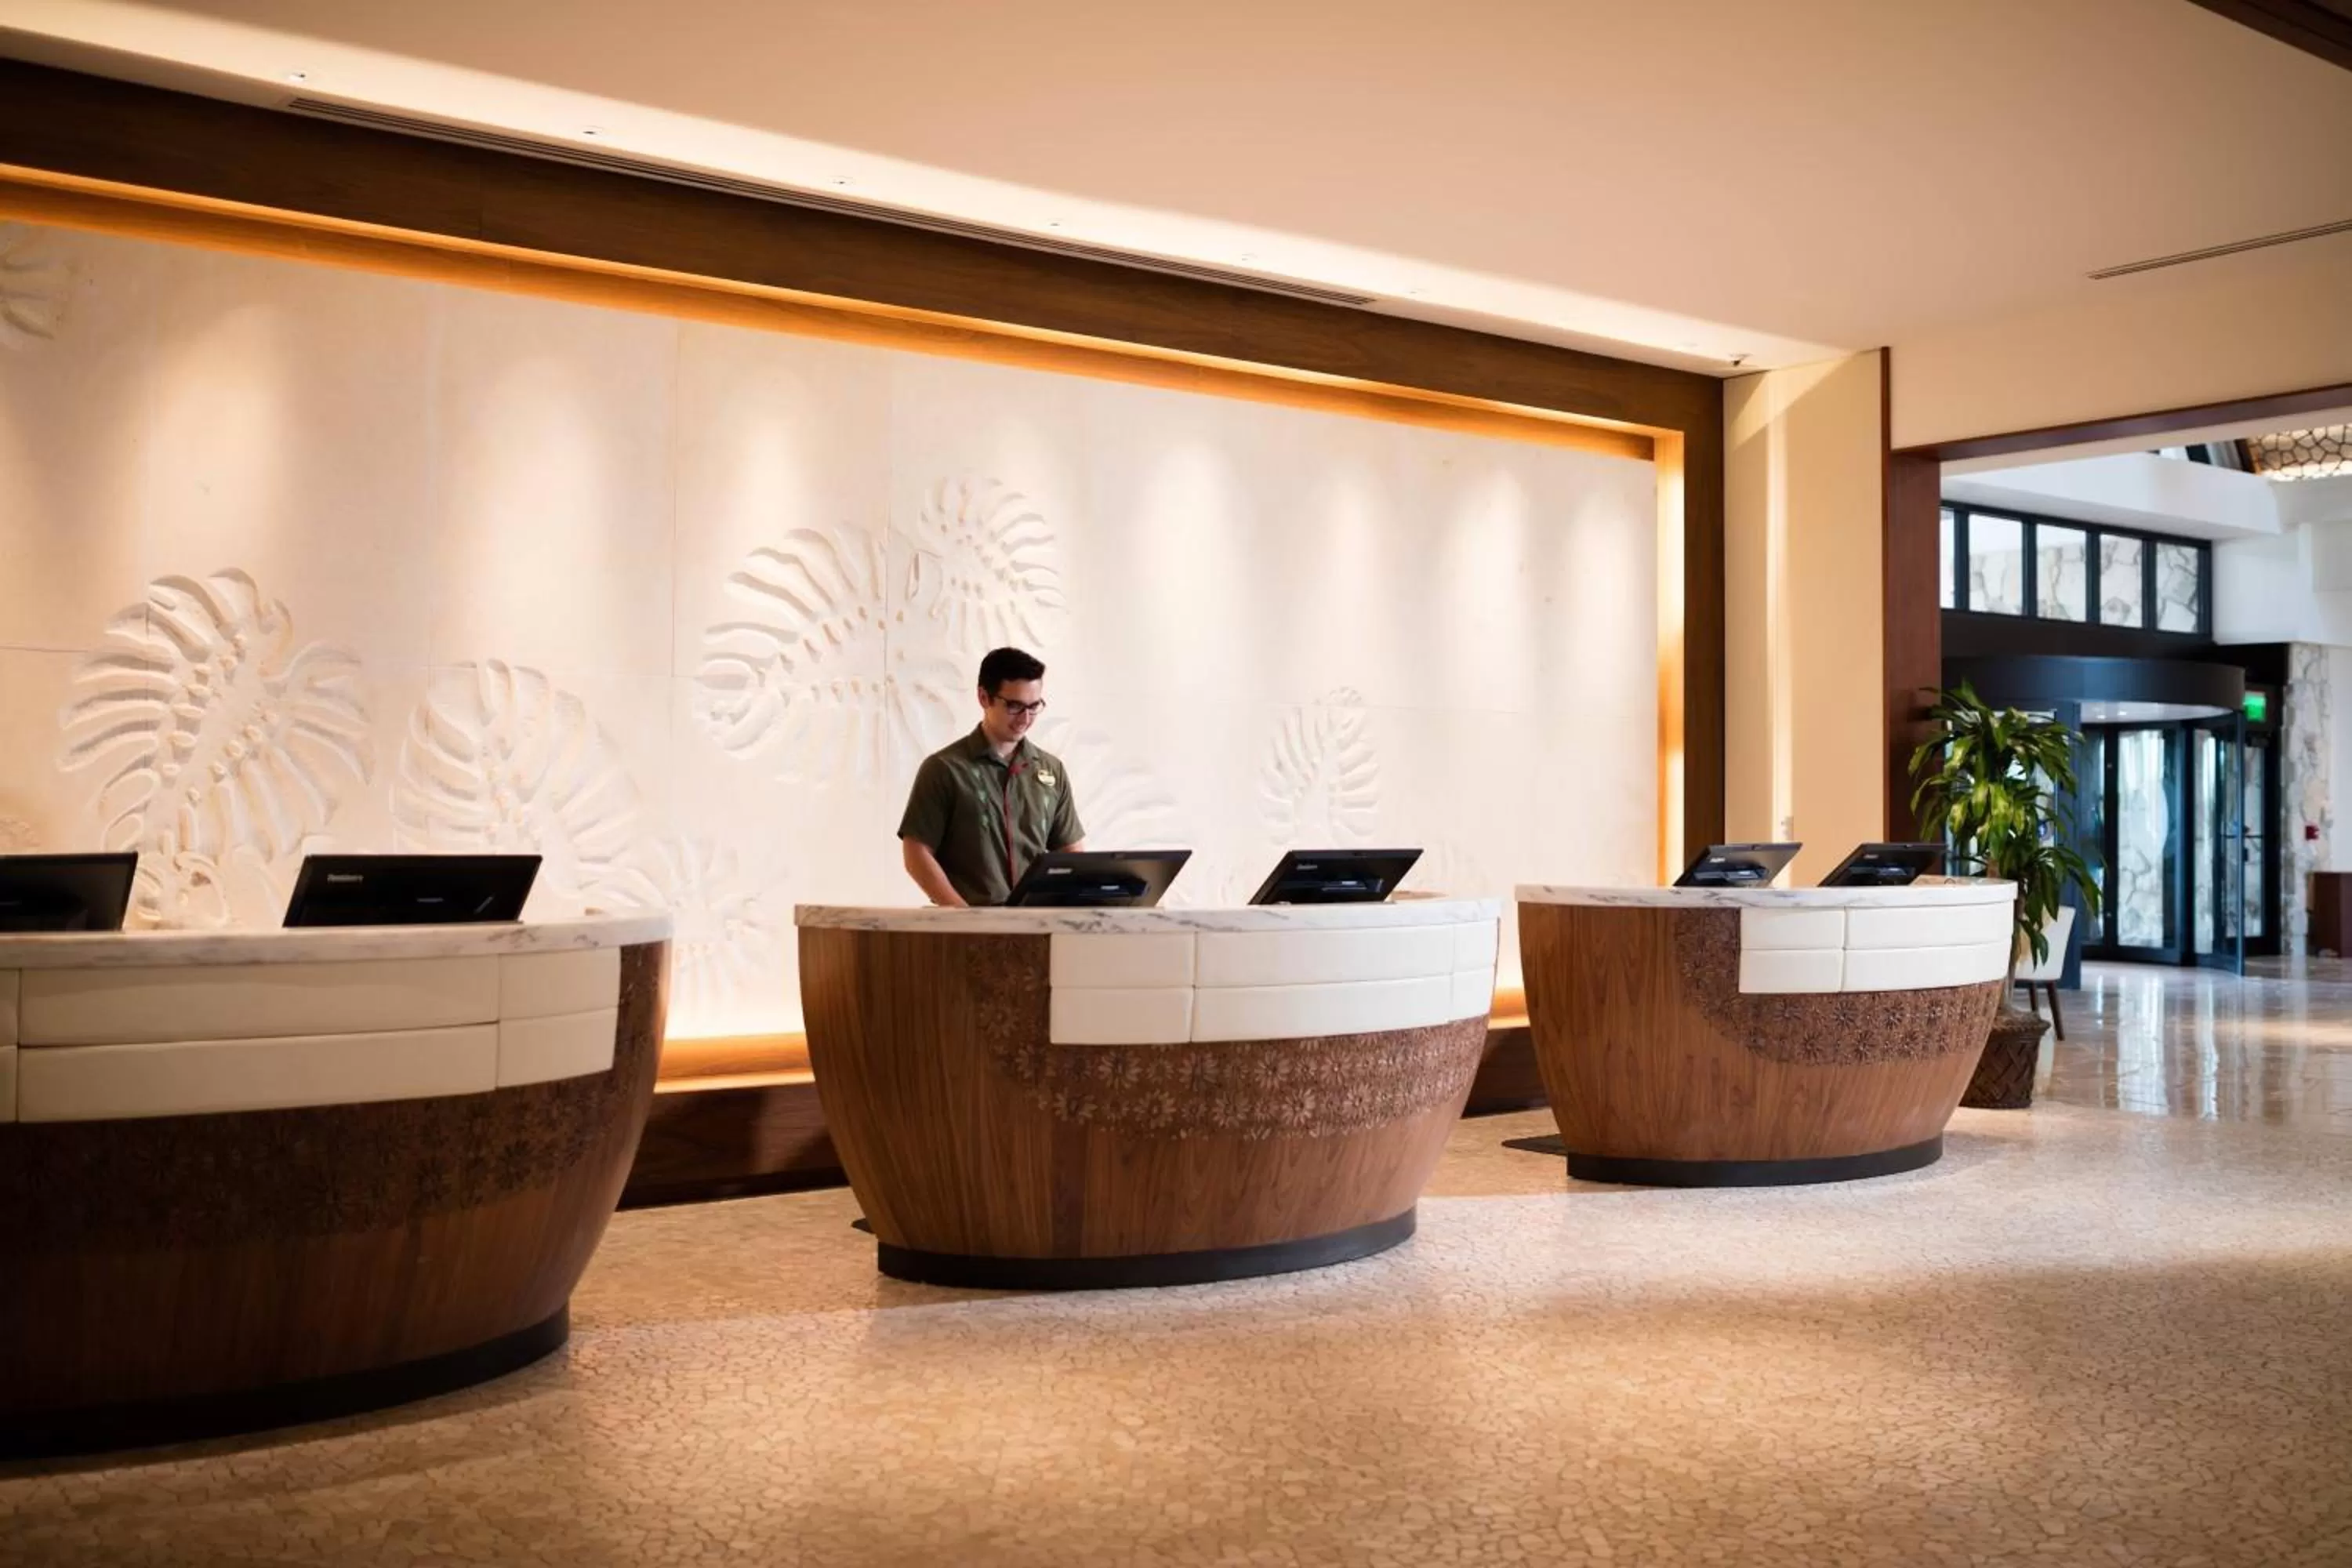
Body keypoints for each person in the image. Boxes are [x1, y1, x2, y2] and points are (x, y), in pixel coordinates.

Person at [898, 646, 1085, 907]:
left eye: (1034, 706)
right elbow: (916, 854)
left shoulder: (1052, 770)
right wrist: (963, 916)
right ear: (984, 697)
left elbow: (1072, 854)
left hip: (1037, 927)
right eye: (1015, 706)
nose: (1026, 718)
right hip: (968, 930)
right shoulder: (944, 769)